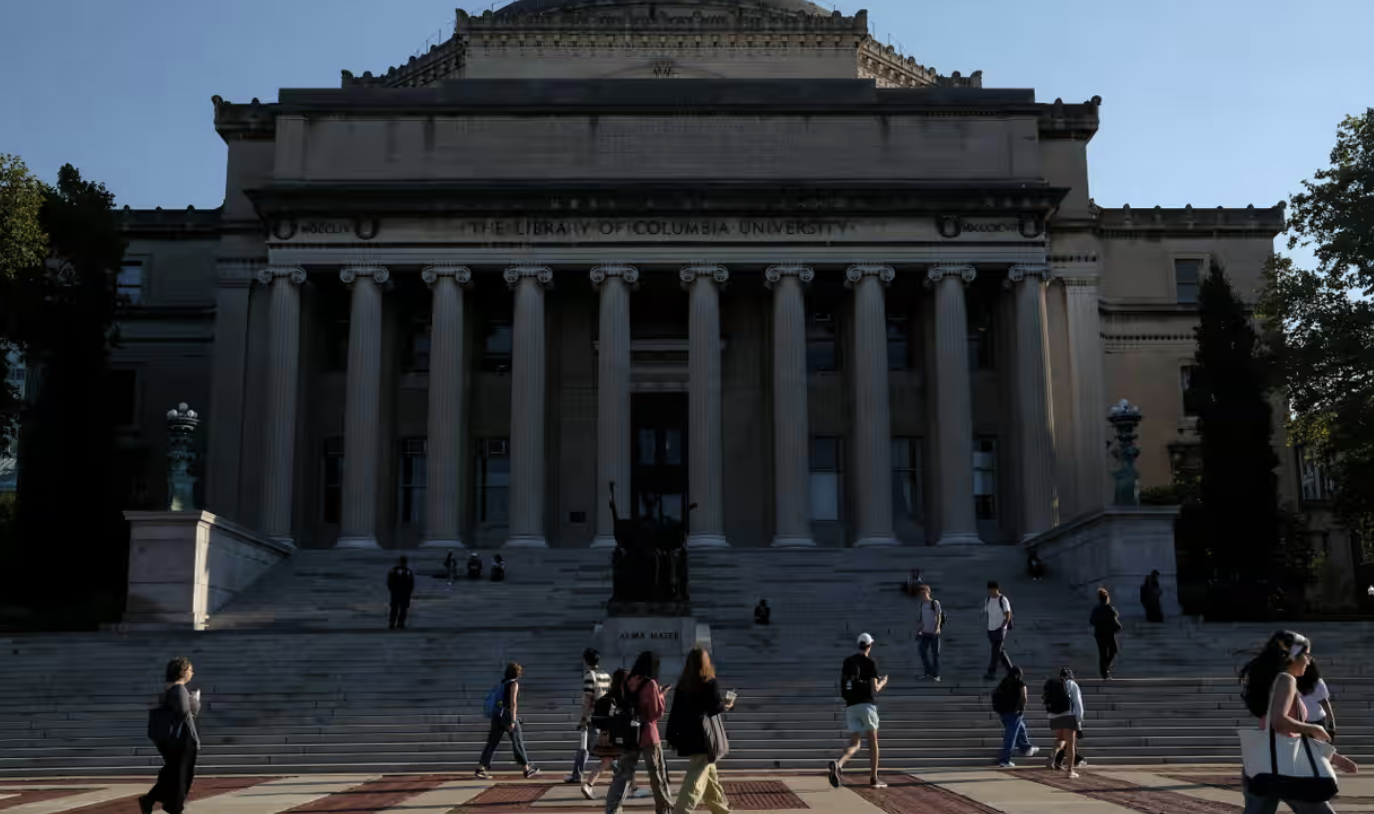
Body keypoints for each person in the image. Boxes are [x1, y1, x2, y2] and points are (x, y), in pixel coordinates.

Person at [1239, 631, 1357, 813]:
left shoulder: (1272, 681)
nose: (1309, 661)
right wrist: (1314, 727)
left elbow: (1285, 734)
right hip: (1287, 769)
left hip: (1260, 766)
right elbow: (1279, 722)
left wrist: (1334, 757)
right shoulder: (1286, 680)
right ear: (1293, 655)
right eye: (1307, 655)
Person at [666, 647, 735, 814]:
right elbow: (713, 708)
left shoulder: (683, 684)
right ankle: (681, 811)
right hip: (705, 736)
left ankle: (722, 810)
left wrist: (671, 734)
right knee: (696, 778)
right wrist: (726, 704)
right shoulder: (708, 682)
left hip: (687, 733)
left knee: (710, 776)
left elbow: (675, 711)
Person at [604, 651, 673, 814]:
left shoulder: (627, 680)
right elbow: (655, 713)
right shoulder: (651, 684)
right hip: (648, 733)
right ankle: (664, 808)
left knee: (623, 775)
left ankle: (612, 808)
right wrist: (662, 695)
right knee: (657, 775)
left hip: (629, 733)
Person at [828, 633, 889, 789]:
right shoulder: (871, 662)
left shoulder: (848, 661)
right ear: (870, 645)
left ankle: (839, 764)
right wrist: (883, 682)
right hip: (867, 705)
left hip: (851, 705)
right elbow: (875, 689)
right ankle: (874, 778)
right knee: (873, 741)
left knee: (855, 743)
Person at [139, 657, 200, 814]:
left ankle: (151, 799)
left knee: (172, 772)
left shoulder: (170, 689)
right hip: (182, 739)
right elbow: (186, 713)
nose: (192, 672)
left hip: (172, 740)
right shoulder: (179, 689)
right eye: (190, 669)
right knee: (181, 776)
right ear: (182, 671)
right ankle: (174, 807)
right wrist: (195, 700)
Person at [581, 669, 640, 800]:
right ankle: (634, 789)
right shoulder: (622, 697)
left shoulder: (608, 695)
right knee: (626, 760)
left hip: (604, 734)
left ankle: (589, 785)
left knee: (606, 762)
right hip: (617, 735)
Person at [476, 663, 541, 780]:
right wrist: (513, 719)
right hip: (507, 715)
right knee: (518, 742)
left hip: (497, 715)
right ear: (517, 673)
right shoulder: (513, 684)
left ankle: (481, 767)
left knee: (492, 742)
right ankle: (527, 769)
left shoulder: (502, 683)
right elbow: (513, 703)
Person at [566, 649, 611, 785]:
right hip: (605, 717)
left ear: (586, 661)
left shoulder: (589, 676)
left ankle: (576, 775)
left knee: (585, 747)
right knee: (600, 748)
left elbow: (588, 698)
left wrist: (584, 717)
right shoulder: (606, 676)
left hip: (593, 717)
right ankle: (576, 774)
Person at [991, 666, 1037, 768]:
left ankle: (1026, 748)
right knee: (1010, 737)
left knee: (1021, 727)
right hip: (1014, 711)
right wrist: (1022, 708)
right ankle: (1005, 760)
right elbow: (1024, 697)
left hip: (1003, 712)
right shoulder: (1019, 683)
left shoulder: (1004, 682)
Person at [1043, 668, 1084, 778]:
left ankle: (1052, 755)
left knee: (1061, 739)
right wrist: (1079, 720)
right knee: (1071, 743)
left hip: (1054, 716)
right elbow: (1077, 703)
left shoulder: (1055, 684)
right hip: (1068, 716)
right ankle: (1070, 771)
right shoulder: (1072, 684)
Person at [1299, 659, 1336, 743]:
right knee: (1318, 748)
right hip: (1316, 719)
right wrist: (1331, 722)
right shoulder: (1318, 683)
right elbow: (1325, 703)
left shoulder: (1294, 682)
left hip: (1303, 721)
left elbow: (1324, 703)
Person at [1089, 587, 1122, 680]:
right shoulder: (1108, 608)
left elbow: (1091, 621)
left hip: (1099, 634)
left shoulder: (1096, 609)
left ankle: (1104, 672)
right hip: (1108, 633)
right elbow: (1115, 616)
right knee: (1113, 650)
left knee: (1103, 653)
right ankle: (1105, 669)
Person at [984, 582, 1014, 681]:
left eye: (993, 590)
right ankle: (1011, 672)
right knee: (1000, 651)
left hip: (1000, 629)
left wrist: (1003, 626)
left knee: (995, 651)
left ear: (997, 589)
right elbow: (988, 613)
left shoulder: (1003, 599)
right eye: (990, 590)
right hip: (990, 629)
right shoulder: (988, 599)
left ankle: (991, 672)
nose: (991, 592)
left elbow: (1008, 614)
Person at [915, 584, 942, 681]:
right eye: (920, 594)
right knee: (922, 652)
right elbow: (921, 619)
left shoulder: (935, 603)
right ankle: (928, 672)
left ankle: (936, 675)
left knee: (935, 654)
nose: (921, 596)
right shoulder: (922, 605)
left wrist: (938, 627)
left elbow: (939, 616)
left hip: (934, 633)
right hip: (924, 633)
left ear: (927, 593)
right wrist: (918, 630)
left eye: (923, 593)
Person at [386, 556, 415, 630]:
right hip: (396, 593)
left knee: (403, 609)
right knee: (394, 609)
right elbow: (390, 582)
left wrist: (408, 592)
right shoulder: (394, 571)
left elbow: (411, 583)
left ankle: (400, 623)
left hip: (404, 593)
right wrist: (393, 590)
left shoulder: (408, 571)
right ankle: (392, 622)